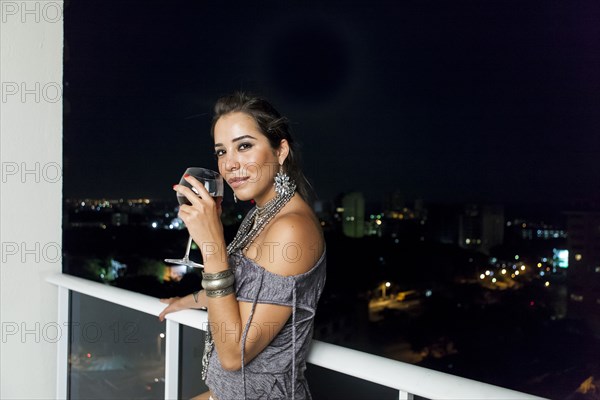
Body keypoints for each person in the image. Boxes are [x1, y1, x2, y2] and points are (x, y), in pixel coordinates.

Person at [159, 92, 326, 400]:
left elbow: (234, 354)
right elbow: (247, 293)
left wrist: (212, 245)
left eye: (244, 146)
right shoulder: (260, 215)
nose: (230, 164)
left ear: (280, 150)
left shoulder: (291, 229)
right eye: (221, 152)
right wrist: (191, 299)